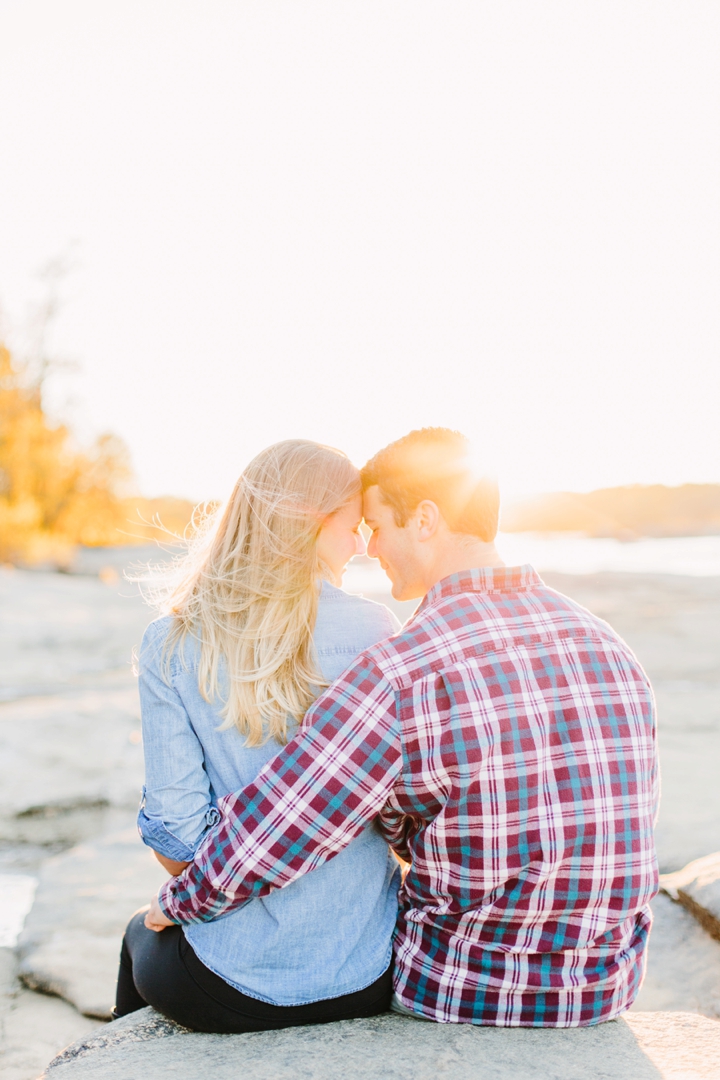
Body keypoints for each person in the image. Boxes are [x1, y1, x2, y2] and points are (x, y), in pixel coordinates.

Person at [148, 427, 659, 1028]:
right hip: (605, 986)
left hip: (463, 986)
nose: (370, 548)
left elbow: (286, 826)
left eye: (378, 525)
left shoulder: (405, 671)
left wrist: (178, 902)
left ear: (423, 520)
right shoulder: (609, 646)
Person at [116, 440, 401, 1032]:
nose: (363, 544)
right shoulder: (376, 630)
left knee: (138, 935)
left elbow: (177, 843)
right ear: (313, 525)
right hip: (367, 972)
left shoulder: (172, 639)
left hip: (230, 985)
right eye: (352, 527)